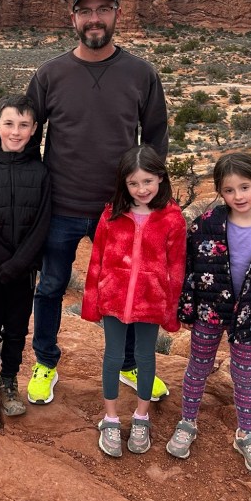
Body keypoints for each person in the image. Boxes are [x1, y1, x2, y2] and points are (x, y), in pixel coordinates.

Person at [25, 0, 170, 406]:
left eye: (102, 9)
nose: (94, 19)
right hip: (61, 207)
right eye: (85, 11)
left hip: (120, 209)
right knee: (51, 286)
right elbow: (29, 136)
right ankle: (45, 362)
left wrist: (152, 195)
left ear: (117, 15)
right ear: (72, 18)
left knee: (126, 288)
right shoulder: (50, 74)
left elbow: (156, 136)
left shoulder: (141, 73)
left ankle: (129, 363)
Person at [166, 152, 251, 473]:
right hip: (210, 310)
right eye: (229, 190)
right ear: (220, 191)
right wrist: (186, 308)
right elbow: (189, 269)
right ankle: (187, 422)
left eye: (245, 187)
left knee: (243, 375)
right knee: (198, 367)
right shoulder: (206, 225)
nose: (238, 196)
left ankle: (245, 434)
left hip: (250, 317)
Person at [81, 146, 186, 457]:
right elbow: (97, 260)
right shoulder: (111, 214)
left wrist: (171, 310)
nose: (142, 190)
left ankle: (141, 416)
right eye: (134, 183)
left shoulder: (172, 218)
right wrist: (92, 301)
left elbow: (177, 267)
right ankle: (110, 418)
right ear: (123, 184)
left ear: (160, 178)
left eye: (148, 181)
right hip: (113, 298)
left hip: (150, 301)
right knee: (113, 357)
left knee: (145, 357)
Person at [0, 94, 52, 429]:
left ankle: (9, 382)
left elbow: (42, 222)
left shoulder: (41, 173)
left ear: (33, 129)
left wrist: (19, 263)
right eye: (9, 124)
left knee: (16, 330)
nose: (16, 132)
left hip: (23, 269)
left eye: (23, 125)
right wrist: (7, 261)